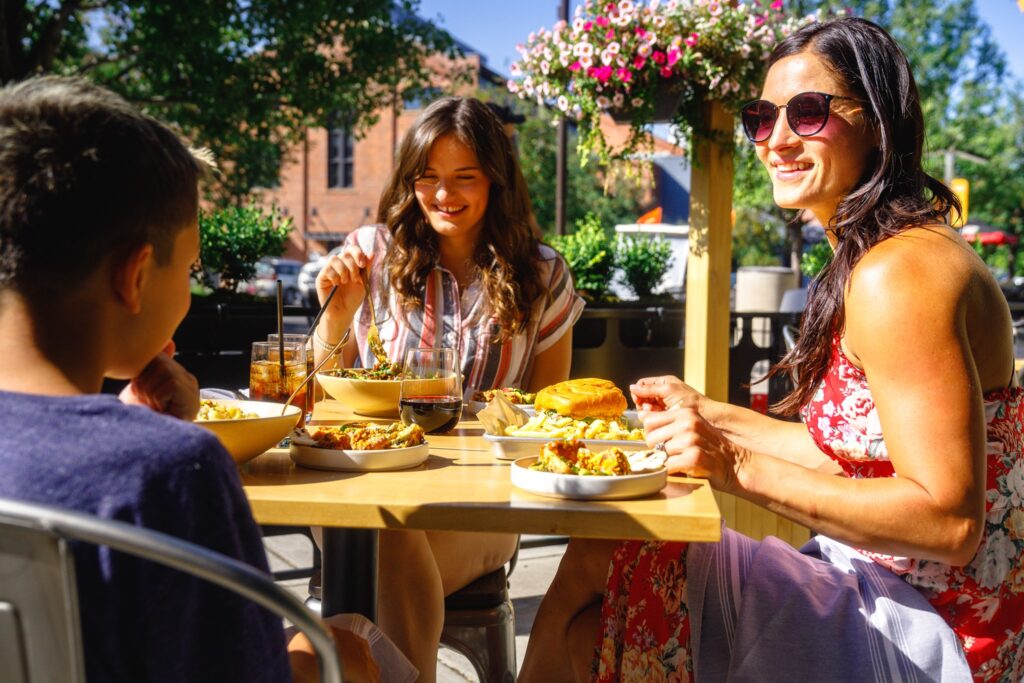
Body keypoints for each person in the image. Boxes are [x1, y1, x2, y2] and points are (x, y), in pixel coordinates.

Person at [521, 17, 1023, 682]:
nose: (776, 139)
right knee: (597, 622)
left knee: (612, 563)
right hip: (883, 581)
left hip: (939, 630)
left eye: (808, 112)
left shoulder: (899, 272)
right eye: (761, 117)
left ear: (877, 122)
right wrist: (706, 413)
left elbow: (948, 519)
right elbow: (849, 455)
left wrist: (734, 463)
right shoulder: (878, 253)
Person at [0, 76, 390, 683]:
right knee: (350, 653)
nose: (189, 287)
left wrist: (134, 427)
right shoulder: (174, 471)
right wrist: (156, 444)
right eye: (189, 268)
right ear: (134, 277)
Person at [312, 95, 584, 680]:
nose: (442, 195)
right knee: (381, 517)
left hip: (479, 503)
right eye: (427, 178)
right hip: (362, 480)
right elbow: (316, 400)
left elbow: (545, 418)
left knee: (385, 535)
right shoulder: (371, 255)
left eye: (464, 177)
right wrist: (338, 315)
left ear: (496, 181)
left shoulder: (542, 275)